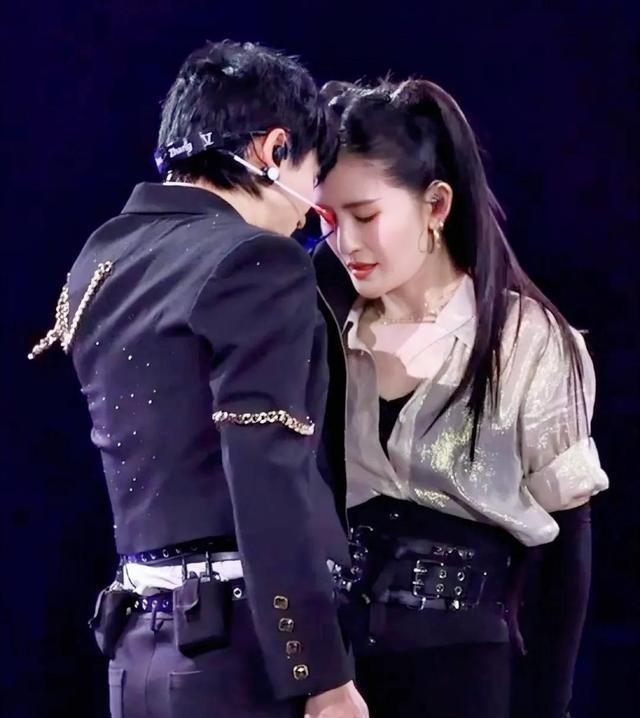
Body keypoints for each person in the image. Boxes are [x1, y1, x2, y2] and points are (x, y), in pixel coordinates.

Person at [29, 40, 368, 718]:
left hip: (136, 659)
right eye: (312, 178)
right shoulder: (259, 260)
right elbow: (266, 474)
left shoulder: (101, 258)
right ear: (274, 150)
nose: (308, 213)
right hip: (241, 663)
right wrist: (321, 676)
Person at [313, 78, 609, 718]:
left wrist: (549, 707)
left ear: (436, 204)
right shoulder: (324, 329)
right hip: (339, 676)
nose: (346, 244)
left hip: (463, 674)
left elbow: (566, 556)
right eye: (327, 221)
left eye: (365, 216)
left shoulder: (528, 340)